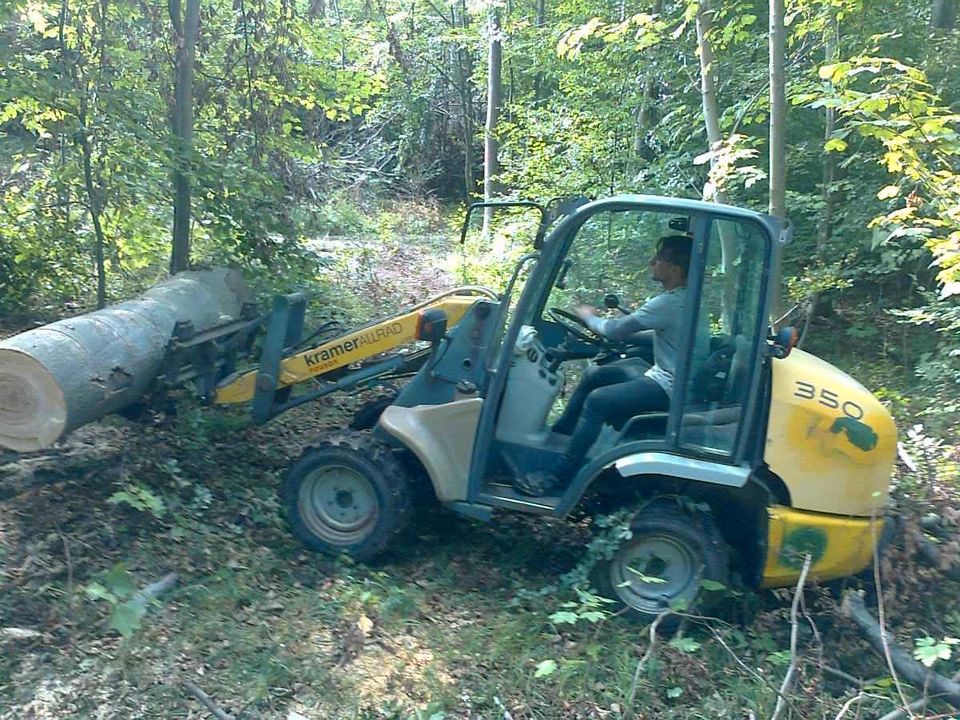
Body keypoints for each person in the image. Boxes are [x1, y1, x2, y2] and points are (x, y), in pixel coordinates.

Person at [514, 234, 693, 497]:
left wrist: (589, 318)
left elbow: (614, 329)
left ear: (675, 270)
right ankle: (561, 437)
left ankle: (559, 476)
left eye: (659, 258)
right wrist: (616, 333)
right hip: (672, 377)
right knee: (595, 375)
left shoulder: (670, 302)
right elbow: (656, 334)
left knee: (598, 401)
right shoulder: (685, 298)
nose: (651, 262)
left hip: (669, 385)